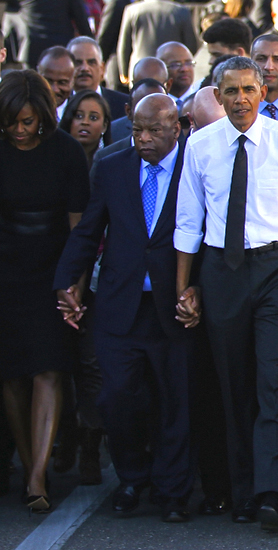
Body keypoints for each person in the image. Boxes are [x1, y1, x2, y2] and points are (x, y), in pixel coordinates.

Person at [172, 56, 278, 532]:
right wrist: (185, 285)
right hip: (221, 272)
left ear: (264, 93)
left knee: (274, 378)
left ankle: (271, 491)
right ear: (218, 95)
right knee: (233, 385)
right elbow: (188, 221)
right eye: (231, 91)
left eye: (250, 89)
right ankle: (241, 489)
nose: (242, 99)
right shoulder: (201, 146)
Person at [54, 94, 195, 523]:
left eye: (154, 130)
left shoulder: (197, 168)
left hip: (172, 306)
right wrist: (66, 280)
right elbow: (88, 231)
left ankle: (172, 491)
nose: (144, 139)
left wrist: (198, 288)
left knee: (175, 400)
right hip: (120, 304)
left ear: (178, 127)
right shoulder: (113, 167)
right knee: (117, 397)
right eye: (136, 130)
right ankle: (133, 477)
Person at [0, 70, 91, 514]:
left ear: (43, 115)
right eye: (13, 123)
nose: (20, 131)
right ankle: (27, 462)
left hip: (54, 264)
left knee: (49, 369)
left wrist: (74, 279)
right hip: (5, 267)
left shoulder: (67, 152)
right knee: (13, 373)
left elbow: (80, 224)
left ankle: (37, 473)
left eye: (29, 122)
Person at [116, 0, 200, 81]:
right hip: (171, 71)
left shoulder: (132, 10)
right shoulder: (181, 11)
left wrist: (124, 72)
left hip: (140, 69)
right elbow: (191, 45)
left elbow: (124, 45)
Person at [58, 90, 111, 163]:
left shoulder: (112, 160)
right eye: (79, 116)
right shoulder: (52, 157)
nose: (85, 122)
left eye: (93, 118)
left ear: (104, 126)